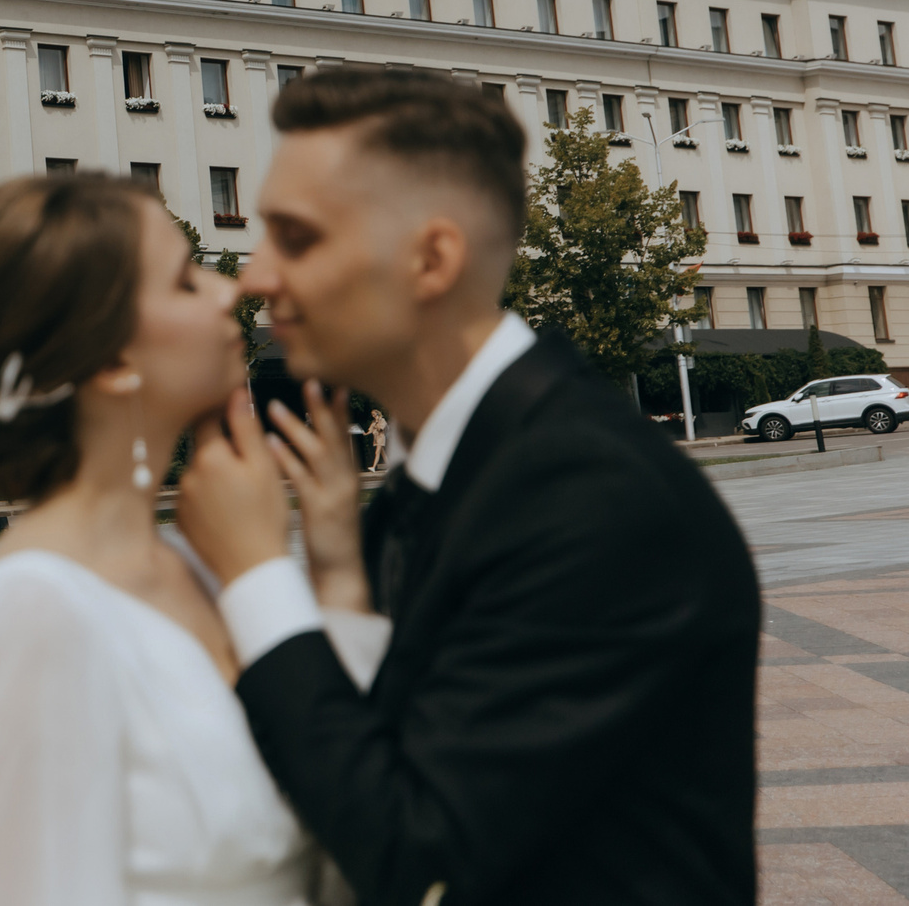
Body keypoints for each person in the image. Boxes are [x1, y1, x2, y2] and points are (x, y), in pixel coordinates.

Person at [176, 67, 759, 905]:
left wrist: (257, 575)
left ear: (432, 257)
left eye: (296, 237)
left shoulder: (591, 496)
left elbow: (419, 851)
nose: (255, 276)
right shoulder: (445, 477)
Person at [0, 173, 386, 905]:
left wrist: (330, 564)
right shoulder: (34, 612)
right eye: (183, 279)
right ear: (112, 362)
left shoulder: (195, 564)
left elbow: (355, 813)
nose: (226, 289)